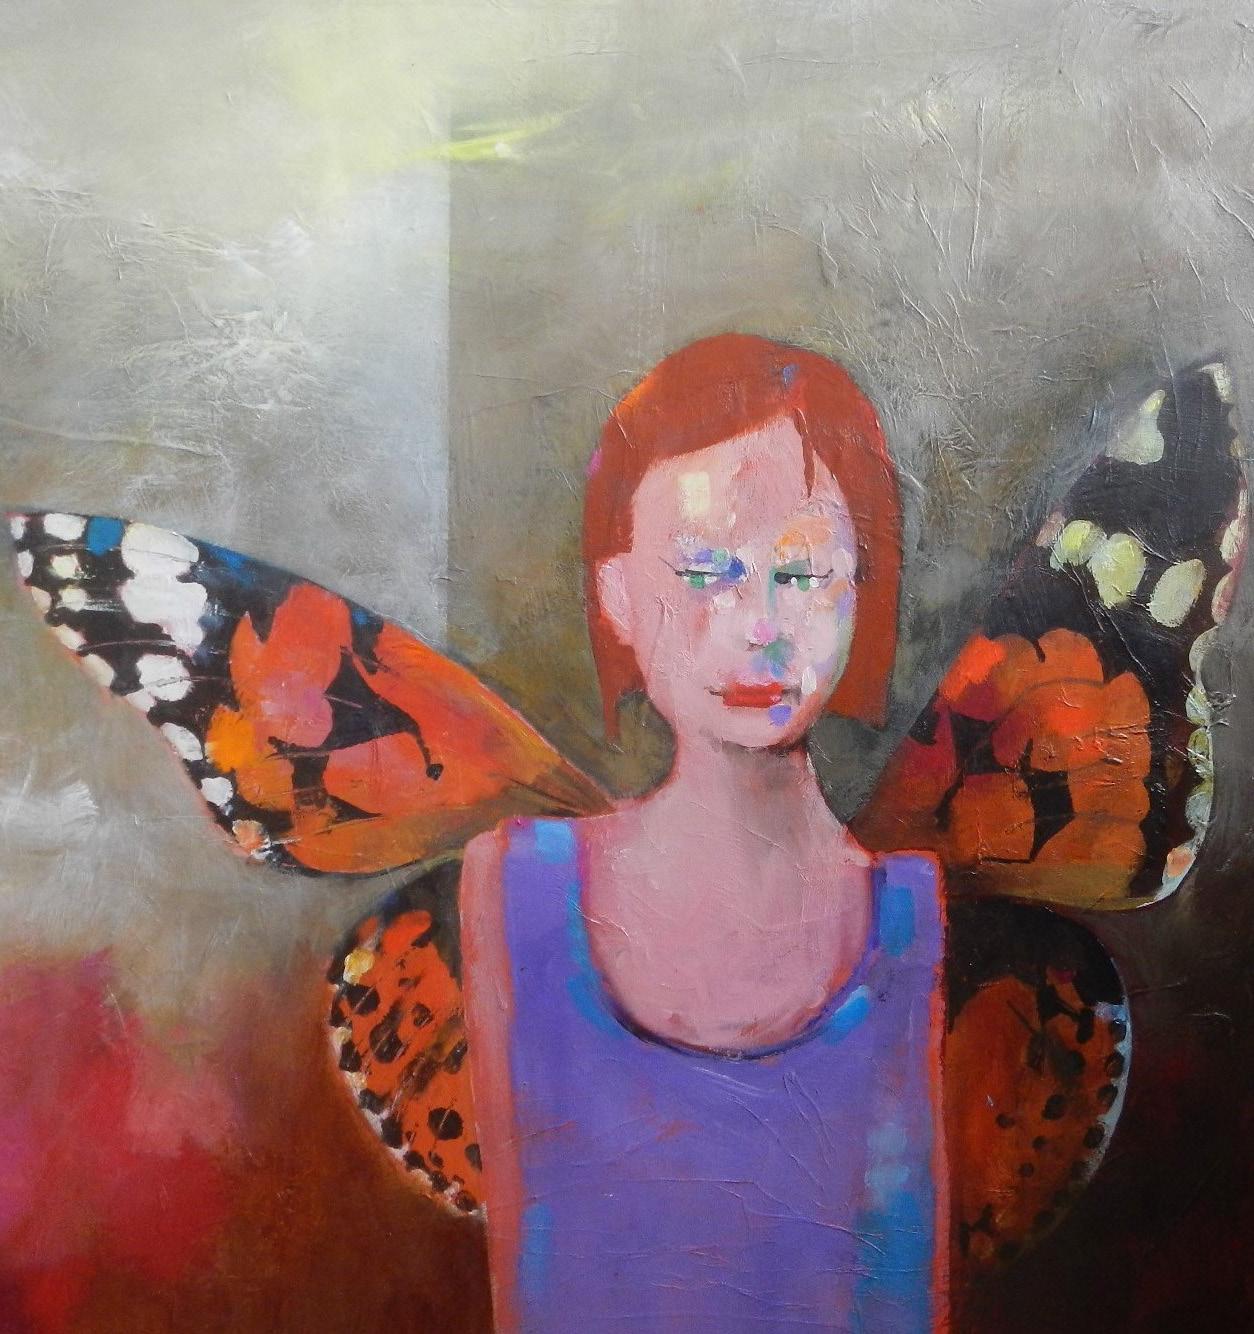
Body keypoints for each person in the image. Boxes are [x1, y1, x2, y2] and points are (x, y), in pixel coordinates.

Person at [461, 333, 947, 1332]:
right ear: (618, 597)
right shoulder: (519, 892)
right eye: (704, 570)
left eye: (803, 570)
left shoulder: (914, 915)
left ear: (861, 587)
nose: (759, 622)